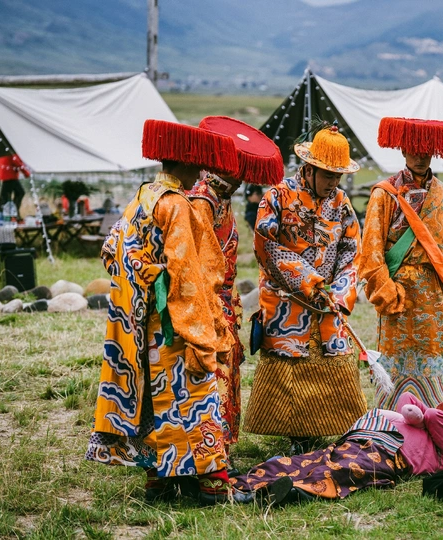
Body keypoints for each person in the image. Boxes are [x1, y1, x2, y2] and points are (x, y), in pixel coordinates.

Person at [85, 119, 240, 505]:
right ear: (186, 163)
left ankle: (159, 482)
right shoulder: (177, 205)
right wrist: (204, 335)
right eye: (197, 165)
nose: (201, 172)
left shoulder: (142, 197)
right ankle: (210, 484)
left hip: (141, 323)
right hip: (174, 322)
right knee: (195, 397)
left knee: (156, 403)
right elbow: (187, 277)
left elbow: (110, 251)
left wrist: (142, 281)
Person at [243, 124, 367, 455]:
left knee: (333, 361)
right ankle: (296, 435)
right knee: (292, 367)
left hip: (328, 302)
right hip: (287, 300)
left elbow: (352, 250)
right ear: (309, 168)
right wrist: (310, 282)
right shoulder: (276, 197)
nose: (333, 182)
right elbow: (267, 246)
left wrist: (339, 291)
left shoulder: (341, 202)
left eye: (338, 176)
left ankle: (333, 427)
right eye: (328, 174)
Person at [185, 115, 284, 469]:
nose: (242, 177)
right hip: (204, 305)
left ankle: (219, 451)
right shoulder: (202, 201)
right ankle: (208, 455)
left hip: (223, 303)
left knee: (225, 376)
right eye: (236, 168)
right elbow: (196, 264)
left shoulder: (221, 198)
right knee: (211, 378)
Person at [360, 117, 443, 410]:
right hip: (397, 294)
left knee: (432, 365)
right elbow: (371, 252)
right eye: (414, 150)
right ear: (403, 151)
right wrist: (387, 293)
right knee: (394, 366)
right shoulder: (384, 194)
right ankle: (391, 425)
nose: (420, 157)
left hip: (434, 299)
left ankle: (431, 424)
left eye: (426, 151)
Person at [230, 393, 443, 504]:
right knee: (315, 459)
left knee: (341, 470)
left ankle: (291, 491)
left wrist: (425, 417)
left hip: (386, 456)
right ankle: (246, 482)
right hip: (363, 438)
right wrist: (420, 418)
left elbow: (435, 417)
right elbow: (405, 399)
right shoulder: (423, 426)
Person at [0, 154, 30, 219]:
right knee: (18, 193)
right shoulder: (11, 151)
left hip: (5, 174)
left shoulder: (1, 151)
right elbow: (16, 161)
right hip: (11, 174)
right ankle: (12, 213)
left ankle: (8, 213)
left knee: (5, 197)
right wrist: (26, 172)